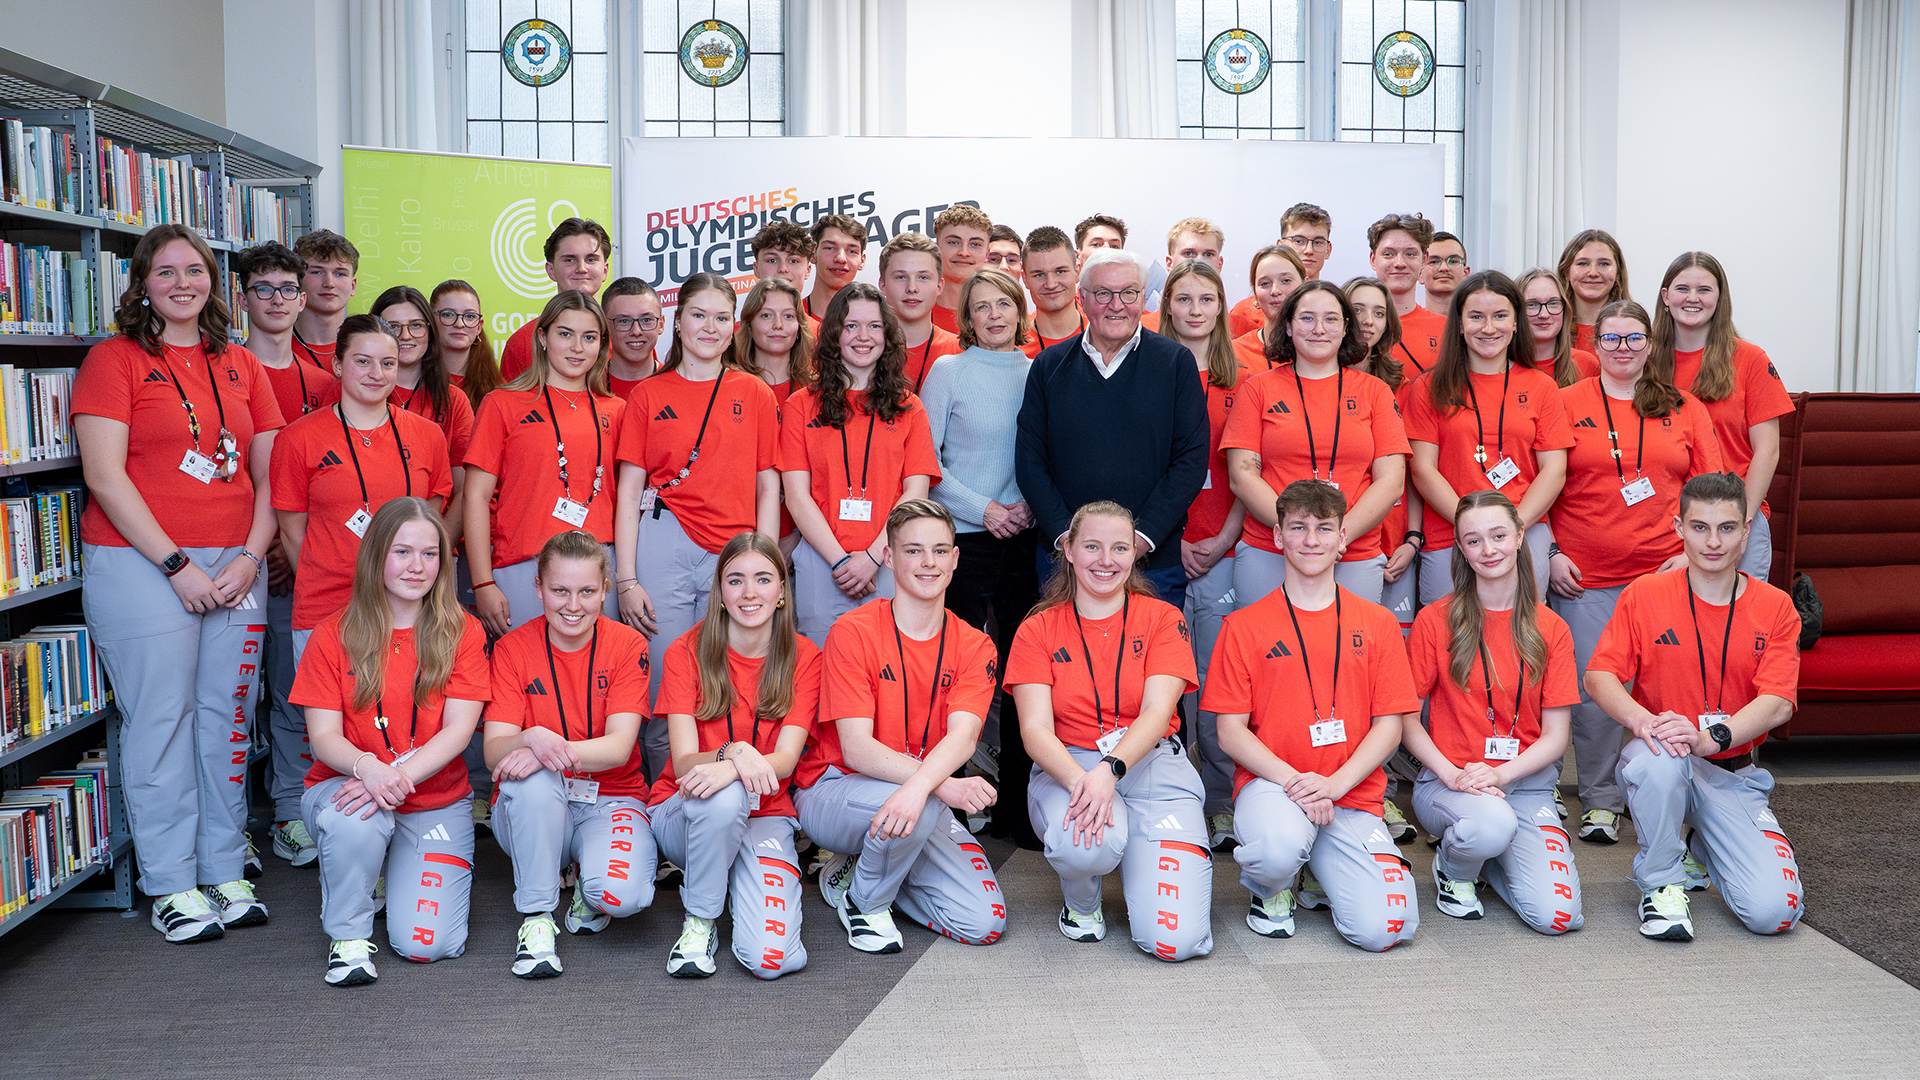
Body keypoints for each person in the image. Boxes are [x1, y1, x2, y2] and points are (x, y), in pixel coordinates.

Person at [74, 224, 284, 942]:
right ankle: (171, 885)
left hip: (236, 565)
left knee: (226, 723)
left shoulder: (241, 363)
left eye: (195, 270)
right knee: (162, 721)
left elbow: (268, 475)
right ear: (142, 284)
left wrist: (251, 558)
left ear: (213, 280)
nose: (183, 283)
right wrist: (177, 565)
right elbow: (104, 476)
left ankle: (223, 867)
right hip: (142, 564)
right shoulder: (115, 360)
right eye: (166, 272)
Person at [1585, 472, 1805, 942]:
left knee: (1774, 914)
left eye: (1727, 528)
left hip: (1732, 772)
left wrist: (1712, 737)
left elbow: (1778, 703)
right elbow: (1599, 676)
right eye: (1700, 527)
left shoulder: (1777, 606)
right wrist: (1645, 722)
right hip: (1665, 756)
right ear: (1678, 528)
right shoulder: (1645, 594)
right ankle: (1661, 881)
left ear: (1747, 531)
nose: (1713, 541)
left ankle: (1700, 842)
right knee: (1658, 763)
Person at [1204, 481, 1420, 951]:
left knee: (1387, 928)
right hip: (1274, 788)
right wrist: (1297, 782)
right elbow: (1229, 732)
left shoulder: (1379, 623)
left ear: (1343, 538)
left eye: (1324, 528)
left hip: (1350, 792)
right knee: (1277, 849)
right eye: (1298, 527)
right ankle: (1274, 887)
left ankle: (1318, 867)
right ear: (1278, 537)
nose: (1311, 540)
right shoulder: (1243, 627)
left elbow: (1391, 724)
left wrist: (1336, 785)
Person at [792, 500, 1006, 953]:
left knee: (983, 922)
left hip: (913, 796)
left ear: (955, 558)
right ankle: (865, 903)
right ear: (889, 557)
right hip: (836, 789)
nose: (928, 562)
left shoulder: (975, 645)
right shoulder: (852, 631)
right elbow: (856, 749)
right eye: (913, 551)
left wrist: (926, 786)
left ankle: (865, 867)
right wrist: (940, 787)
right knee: (923, 803)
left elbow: (964, 736)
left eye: (939, 550)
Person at [293, 497, 490, 983]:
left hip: (434, 800)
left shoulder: (463, 632)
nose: (416, 567)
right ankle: (350, 933)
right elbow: (323, 738)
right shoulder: (331, 634)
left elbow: (459, 730)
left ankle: (383, 870)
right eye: (402, 552)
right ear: (376, 555)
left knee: (427, 945)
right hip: (349, 787)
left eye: (429, 554)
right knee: (355, 821)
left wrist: (395, 776)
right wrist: (369, 769)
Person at [1549, 299, 1723, 844]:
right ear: (1593, 345)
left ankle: (1656, 792)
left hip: (1664, 575)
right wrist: (1551, 551)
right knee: (1594, 693)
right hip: (1585, 576)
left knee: (1664, 687)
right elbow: (1537, 485)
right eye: (1611, 339)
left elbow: (1711, 491)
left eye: (1634, 338)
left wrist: (1690, 555)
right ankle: (1599, 800)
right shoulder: (1564, 402)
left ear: (1650, 344)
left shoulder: (1684, 405)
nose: (1622, 349)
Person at [1007, 501, 1211, 958]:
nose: (1106, 560)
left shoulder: (1162, 618)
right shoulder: (1037, 629)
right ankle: (1082, 903)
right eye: (1093, 546)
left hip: (1150, 761)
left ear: (1135, 554)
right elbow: (1035, 730)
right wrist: (1085, 782)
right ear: (1069, 552)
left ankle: (1145, 854)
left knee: (1173, 942)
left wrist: (1109, 771)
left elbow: (1159, 712)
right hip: (1071, 764)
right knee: (1086, 848)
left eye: (1120, 548)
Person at [615, 272, 780, 775]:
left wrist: (765, 562)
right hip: (663, 544)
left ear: (734, 328)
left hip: (735, 551)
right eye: (698, 315)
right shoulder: (647, 395)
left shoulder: (754, 392)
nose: (710, 327)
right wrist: (626, 579)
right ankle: (663, 805)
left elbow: (768, 485)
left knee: (727, 682)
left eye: (721, 317)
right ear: (678, 324)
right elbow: (627, 490)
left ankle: (726, 787)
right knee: (667, 685)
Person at [1402, 491, 1584, 933]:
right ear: (1461, 549)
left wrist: (1501, 776)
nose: (1489, 550)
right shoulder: (1434, 620)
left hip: (1526, 787)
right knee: (1489, 825)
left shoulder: (1552, 627)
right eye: (1474, 540)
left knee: (1558, 918)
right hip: (1452, 784)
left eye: (1499, 535)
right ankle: (1455, 869)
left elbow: (1556, 737)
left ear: (1521, 536)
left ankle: (1494, 857)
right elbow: (1405, 721)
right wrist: (1450, 774)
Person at [649, 532, 823, 978]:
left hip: (766, 814)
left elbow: (785, 759)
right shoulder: (685, 651)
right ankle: (700, 921)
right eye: (736, 581)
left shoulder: (805, 657)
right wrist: (732, 754)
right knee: (723, 799)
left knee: (774, 960)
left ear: (782, 591)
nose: (750, 593)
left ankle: (737, 882)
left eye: (764, 579)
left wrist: (737, 763)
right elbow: (685, 761)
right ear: (720, 592)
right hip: (686, 810)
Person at [483, 531, 652, 978]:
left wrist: (543, 748)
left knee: (624, 896)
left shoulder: (628, 645)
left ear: (605, 590)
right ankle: (537, 919)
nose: (572, 605)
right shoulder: (511, 649)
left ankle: (585, 882)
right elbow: (493, 751)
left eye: (587, 592)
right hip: (534, 810)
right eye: (559, 590)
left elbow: (619, 748)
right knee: (533, 782)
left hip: (611, 798)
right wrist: (527, 738)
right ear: (537, 588)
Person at [1015, 247, 1209, 611]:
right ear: (1083, 299)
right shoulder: (1047, 366)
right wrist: (1069, 541)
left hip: (1153, 559)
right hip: (1064, 560)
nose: (1116, 305)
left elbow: (1191, 459)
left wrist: (1138, 541)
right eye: (1103, 293)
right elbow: (1029, 460)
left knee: (1150, 665)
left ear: (1143, 297)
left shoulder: (1175, 363)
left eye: (1129, 293)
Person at [920, 268, 1040, 847]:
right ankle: (952, 803)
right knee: (956, 677)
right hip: (962, 540)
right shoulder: (949, 371)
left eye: (1004, 305)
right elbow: (928, 464)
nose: (994, 316)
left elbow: (1040, 453)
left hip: (1023, 538)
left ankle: (1017, 809)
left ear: (1021, 311)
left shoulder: (1039, 371)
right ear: (966, 318)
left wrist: (1023, 506)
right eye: (981, 307)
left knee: (1023, 679)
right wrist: (986, 509)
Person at [271, 314, 454, 657]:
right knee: (329, 711)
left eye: (388, 363)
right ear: (338, 365)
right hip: (327, 609)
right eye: (363, 362)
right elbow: (293, 533)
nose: (376, 374)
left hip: (407, 611)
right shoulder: (297, 439)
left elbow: (429, 522)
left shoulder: (429, 436)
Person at [239, 242, 336, 869]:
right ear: (243, 297)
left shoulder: (326, 381)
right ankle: (244, 820)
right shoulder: (225, 368)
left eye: (287, 290)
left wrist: (294, 550)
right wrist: (264, 545)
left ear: (303, 300)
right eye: (263, 288)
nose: (277, 300)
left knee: (300, 697)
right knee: (240, 700)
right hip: (245, 559)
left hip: (310, 566)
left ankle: (292, 813)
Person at [1224, 280, 1410, 607]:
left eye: (1331, 319)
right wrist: (1294, 532)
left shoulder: (1375, 392)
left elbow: (1392, 481)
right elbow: (1242, 475)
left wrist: (1337, 536)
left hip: (1352, 552)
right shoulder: (1257, 389)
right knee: (1264, 653)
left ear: (1345, 328)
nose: (1319, 329)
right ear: (1288, 327)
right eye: (1307, 318)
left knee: (1349, 656)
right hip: (1271, 549)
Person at [780, 283, 941, 645]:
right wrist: (839, 561)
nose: (863, 336)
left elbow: (915, 494)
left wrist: (871, 555)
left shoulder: (909, 407)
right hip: (822, 560)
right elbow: (797, 496)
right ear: (833, 334)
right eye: (851, 326)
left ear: (887, 335)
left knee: (886, 676)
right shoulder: (800, 406)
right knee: (820, 674)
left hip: (889, 559)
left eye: (874, 326)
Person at [1404, 270, 1572, 607]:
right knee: (1448, 644)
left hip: (1524, 532)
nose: (1489, 327)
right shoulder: (1427, 387)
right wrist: (1472, 529)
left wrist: (1510, 531)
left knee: (1522, 642)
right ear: (1461, 324)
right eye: (1476, 317)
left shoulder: (1542, 387)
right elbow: (1423, 469)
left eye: (1500, 316)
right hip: (1450, 534)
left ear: (1515, 323)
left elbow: (1554, 470)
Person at [466, 291, 626, 635]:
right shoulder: (502, 404)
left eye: (589, 337)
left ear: (603, 345)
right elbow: (476, 496)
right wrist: (482, 583)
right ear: (543, 336)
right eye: (565, 334)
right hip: (524, 568)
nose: (577, 347)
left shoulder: (617, 411)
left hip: (598, 571)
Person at [1158, 260, 1248, 848]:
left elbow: (1250, 468)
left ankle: (1218, 801)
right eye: (1183, 299)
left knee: (1219, 683)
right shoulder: (1147, 368)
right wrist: (1175, 537)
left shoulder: (1250, 376)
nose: (1194, 310)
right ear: (1167, 306)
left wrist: (1223, 540)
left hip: (1227, 547)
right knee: (1166, 685)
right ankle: (1170, 795)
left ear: (1221, 306)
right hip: (1162, 545)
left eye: (1206, 299)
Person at [1650, 252, 1794, 580]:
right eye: (1682, 288)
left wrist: (1738, 524)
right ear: (1665, 296)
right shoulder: (1645, 361)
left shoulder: (1750, 359)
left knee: (1735, 623)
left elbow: (1768, 450)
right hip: (1664, 520)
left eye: (1704, 290)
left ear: (1720, 297)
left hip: (1735, 513)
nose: (1692, 298)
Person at [1344, 276, 1422, 634]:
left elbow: (1413, 473)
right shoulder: (1316, 379)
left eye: (1378, 313)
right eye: (1357, 309)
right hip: (1345, 536)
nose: (1367, 321)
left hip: (1397, 539)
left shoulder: (1403, 388)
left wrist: (1412, 539)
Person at [372, 285, 472, 547]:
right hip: (361, 544)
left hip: (432, 545)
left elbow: (464, 491)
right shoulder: (352, 392)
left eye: (416, 325)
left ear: (430, 331)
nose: (406, 336)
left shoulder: (454, 400)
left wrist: (435, 549)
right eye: (394, 326)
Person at [500, 218, 614, 382]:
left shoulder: (626, 336)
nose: (581, 268)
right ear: (550, 270)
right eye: (570, 260)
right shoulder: (522, 343)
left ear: (605, 270)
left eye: (591, 259)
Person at [1141, 218, 1260, 338]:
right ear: (1169, 263)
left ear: (1220, 264)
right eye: (1189, 253)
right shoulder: (1142, 328)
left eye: (1208, 254)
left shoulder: (1244, 329)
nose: (1199, 261)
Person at [877, 232, 964, 393]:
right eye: (901, 277)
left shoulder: (961, 352)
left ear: (939, 286)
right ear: (882, 285)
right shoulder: (862, 348)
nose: (912, 288)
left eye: (923, 277)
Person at [1228, 202, 1331, 330]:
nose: (1309, 250)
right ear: (1280, 246)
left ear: (1328, 250)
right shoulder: (1244, 313)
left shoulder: (1335, 309)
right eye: (1299, 241)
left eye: (1318, 242)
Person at [1368, 213, 1445, 375]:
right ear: (1373, 259)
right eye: (1389, 254)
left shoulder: (1446, 328)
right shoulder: (1353, 326)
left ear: (1424, 260)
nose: (1399, 263)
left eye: (1410, 254)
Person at [735, 276, 815, 409]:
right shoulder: (730, 385)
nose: (778, 325)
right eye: (766, 315)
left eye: (788, 316)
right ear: (749, 326)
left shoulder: (816, 389)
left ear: (799, 327)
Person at [1229, 244, 1306, 371]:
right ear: (1255, 293)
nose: (1275, 291)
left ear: (1305, 284)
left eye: (1286, 280)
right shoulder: (1234, 354)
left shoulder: (1323, 347)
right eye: (1265, 283)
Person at [291, 229, 358, 374]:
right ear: (298, 280)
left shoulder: (367, 350)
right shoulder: (277, 349)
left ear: (353, 286)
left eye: (340, 274)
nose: (329, 283)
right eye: (317, 272)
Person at [1515, 268, 1597, 386]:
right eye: (1532, 304)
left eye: (1553, 303)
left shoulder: (1586, 364)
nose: (1544, 314)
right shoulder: (1503, 367)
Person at [431, 278, 502, 408]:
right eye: (448, 314)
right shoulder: (414, 381)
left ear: (479, 327)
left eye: (469, 316)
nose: (459, 324)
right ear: (430, 320)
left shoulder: (498, 387)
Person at [1556, 229, 1630, 353]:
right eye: (1583, 264)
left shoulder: (1637, 331)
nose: (1593, 273)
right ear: (1566, 272)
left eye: (1604, 264)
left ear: (1618, 273)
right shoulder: (1550, 330)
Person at [1020, 226, 1085, 357]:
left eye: (1060, 272)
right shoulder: (1014, 349)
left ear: (1077, 271)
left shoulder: (1102, 335)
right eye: (1039, 275)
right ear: (1025, 279)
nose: (1051, 284)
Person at [931, 204, 993, 335]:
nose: (964, 252)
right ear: (936, 249)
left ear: (987, 254)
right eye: (954, 242)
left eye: (975, 244)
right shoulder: (912, 314)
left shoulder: (1001, 318)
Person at [601, 277, 665, 398]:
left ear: (661, 324)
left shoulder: (678, 386)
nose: (636, 331)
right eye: (624, 321)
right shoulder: (586, 386)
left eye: (646, 320)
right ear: (604, 326)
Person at [807, 214, 869, 318]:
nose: (841, 259)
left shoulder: (874, 321)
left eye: (851, 251)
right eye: (830, 248)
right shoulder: (789, 318)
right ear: (813, 254)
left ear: (862, 261)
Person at [1421, 232, 1470, 317]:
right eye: (1434, 262)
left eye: (1453, 261)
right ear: (1419, 274)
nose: (1444, 268)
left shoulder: (1478, 326)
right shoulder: (1402, 327)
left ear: (1465, 273)